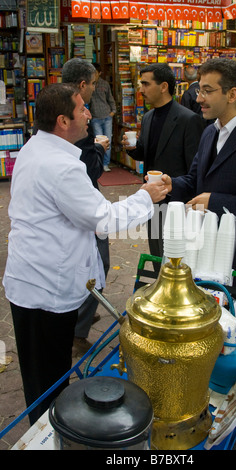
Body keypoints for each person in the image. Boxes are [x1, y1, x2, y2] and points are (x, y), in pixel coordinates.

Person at [2, 83, 168, 425]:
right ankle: (50, 433)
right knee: (49, 380)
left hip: (33, 280)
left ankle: (48, 427)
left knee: (43, 373)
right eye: (82, 109)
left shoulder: (38, 148)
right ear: (63, 121)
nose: (89, 114)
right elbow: (102, 219)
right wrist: (145, 197)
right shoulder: (60, 166)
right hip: (44, 288)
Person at [162, 58, 236, 294]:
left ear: (232, 94)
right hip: (201, 250)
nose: (198, 99)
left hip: (235, 256)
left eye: (207, 91)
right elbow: (196, 180)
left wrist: (214, 202)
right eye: (199, 90)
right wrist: (170, 184)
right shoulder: (210, 132)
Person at [122, 63, 205, 263]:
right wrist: (133, 148)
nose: (141, 90)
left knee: (177, 261)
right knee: (157, 256)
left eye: (145, 84)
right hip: (153, 201)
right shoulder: (149, 116)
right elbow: (147, 152)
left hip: (178, 204)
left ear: (163, 86)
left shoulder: (189, 119)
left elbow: (195, 169)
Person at [61, 58, 110, 353]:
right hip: (82, 201)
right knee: (98, 263)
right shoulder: (79, 115)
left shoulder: (57, 106)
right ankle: (77, 331)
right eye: (92, 83)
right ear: (82, 85)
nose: (94, 88)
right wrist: (99, 148)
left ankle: (83, 313)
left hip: (69, 200)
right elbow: (88, 168)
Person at [89, 62, 117, 172]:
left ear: (99, 73)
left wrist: (113, 112)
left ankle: (106, 163)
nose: (94, 75)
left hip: (107, 116)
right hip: (95, 118)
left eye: (95, 73)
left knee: (108, 140)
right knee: (98, 141)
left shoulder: (105, 84)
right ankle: (99, 163)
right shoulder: (89, 84)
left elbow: (110, 98)